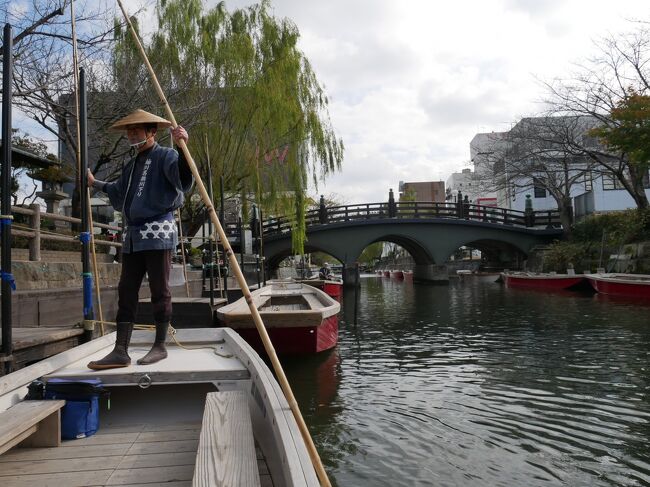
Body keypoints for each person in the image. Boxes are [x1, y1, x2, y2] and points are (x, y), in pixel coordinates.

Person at [86, 109, 193, 370]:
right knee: (126, 290)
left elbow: (183, 179)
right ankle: (120, 349)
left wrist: (182, 148)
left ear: (152, 132)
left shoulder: (166, 155)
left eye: (137, 130)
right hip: (133, 236)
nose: (132, 134)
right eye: (129, 131)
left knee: (160, 289)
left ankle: (160, 345)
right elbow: (118, 190)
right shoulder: (131, 164)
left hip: (158, 233)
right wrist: (94, 183)